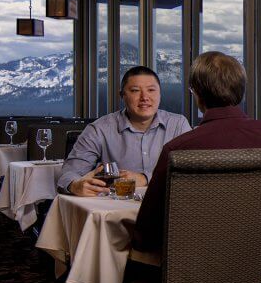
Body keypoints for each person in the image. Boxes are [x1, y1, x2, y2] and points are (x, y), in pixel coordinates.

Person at [130, 52, 261, 252]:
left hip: (194, 271)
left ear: (197, 94)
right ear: (241, 91)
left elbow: (147, 234)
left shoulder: (179, 150)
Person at [58, 66, 191, 196]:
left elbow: (191, 170)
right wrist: (74, 185)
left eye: (151, 90)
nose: (145, 97)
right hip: (114, 209)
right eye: (135, 90)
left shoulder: (178, 125)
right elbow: (68, 173)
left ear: (160, 94)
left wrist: (145, 178)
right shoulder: (99, 129)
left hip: (168, 207)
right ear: (122, 95)